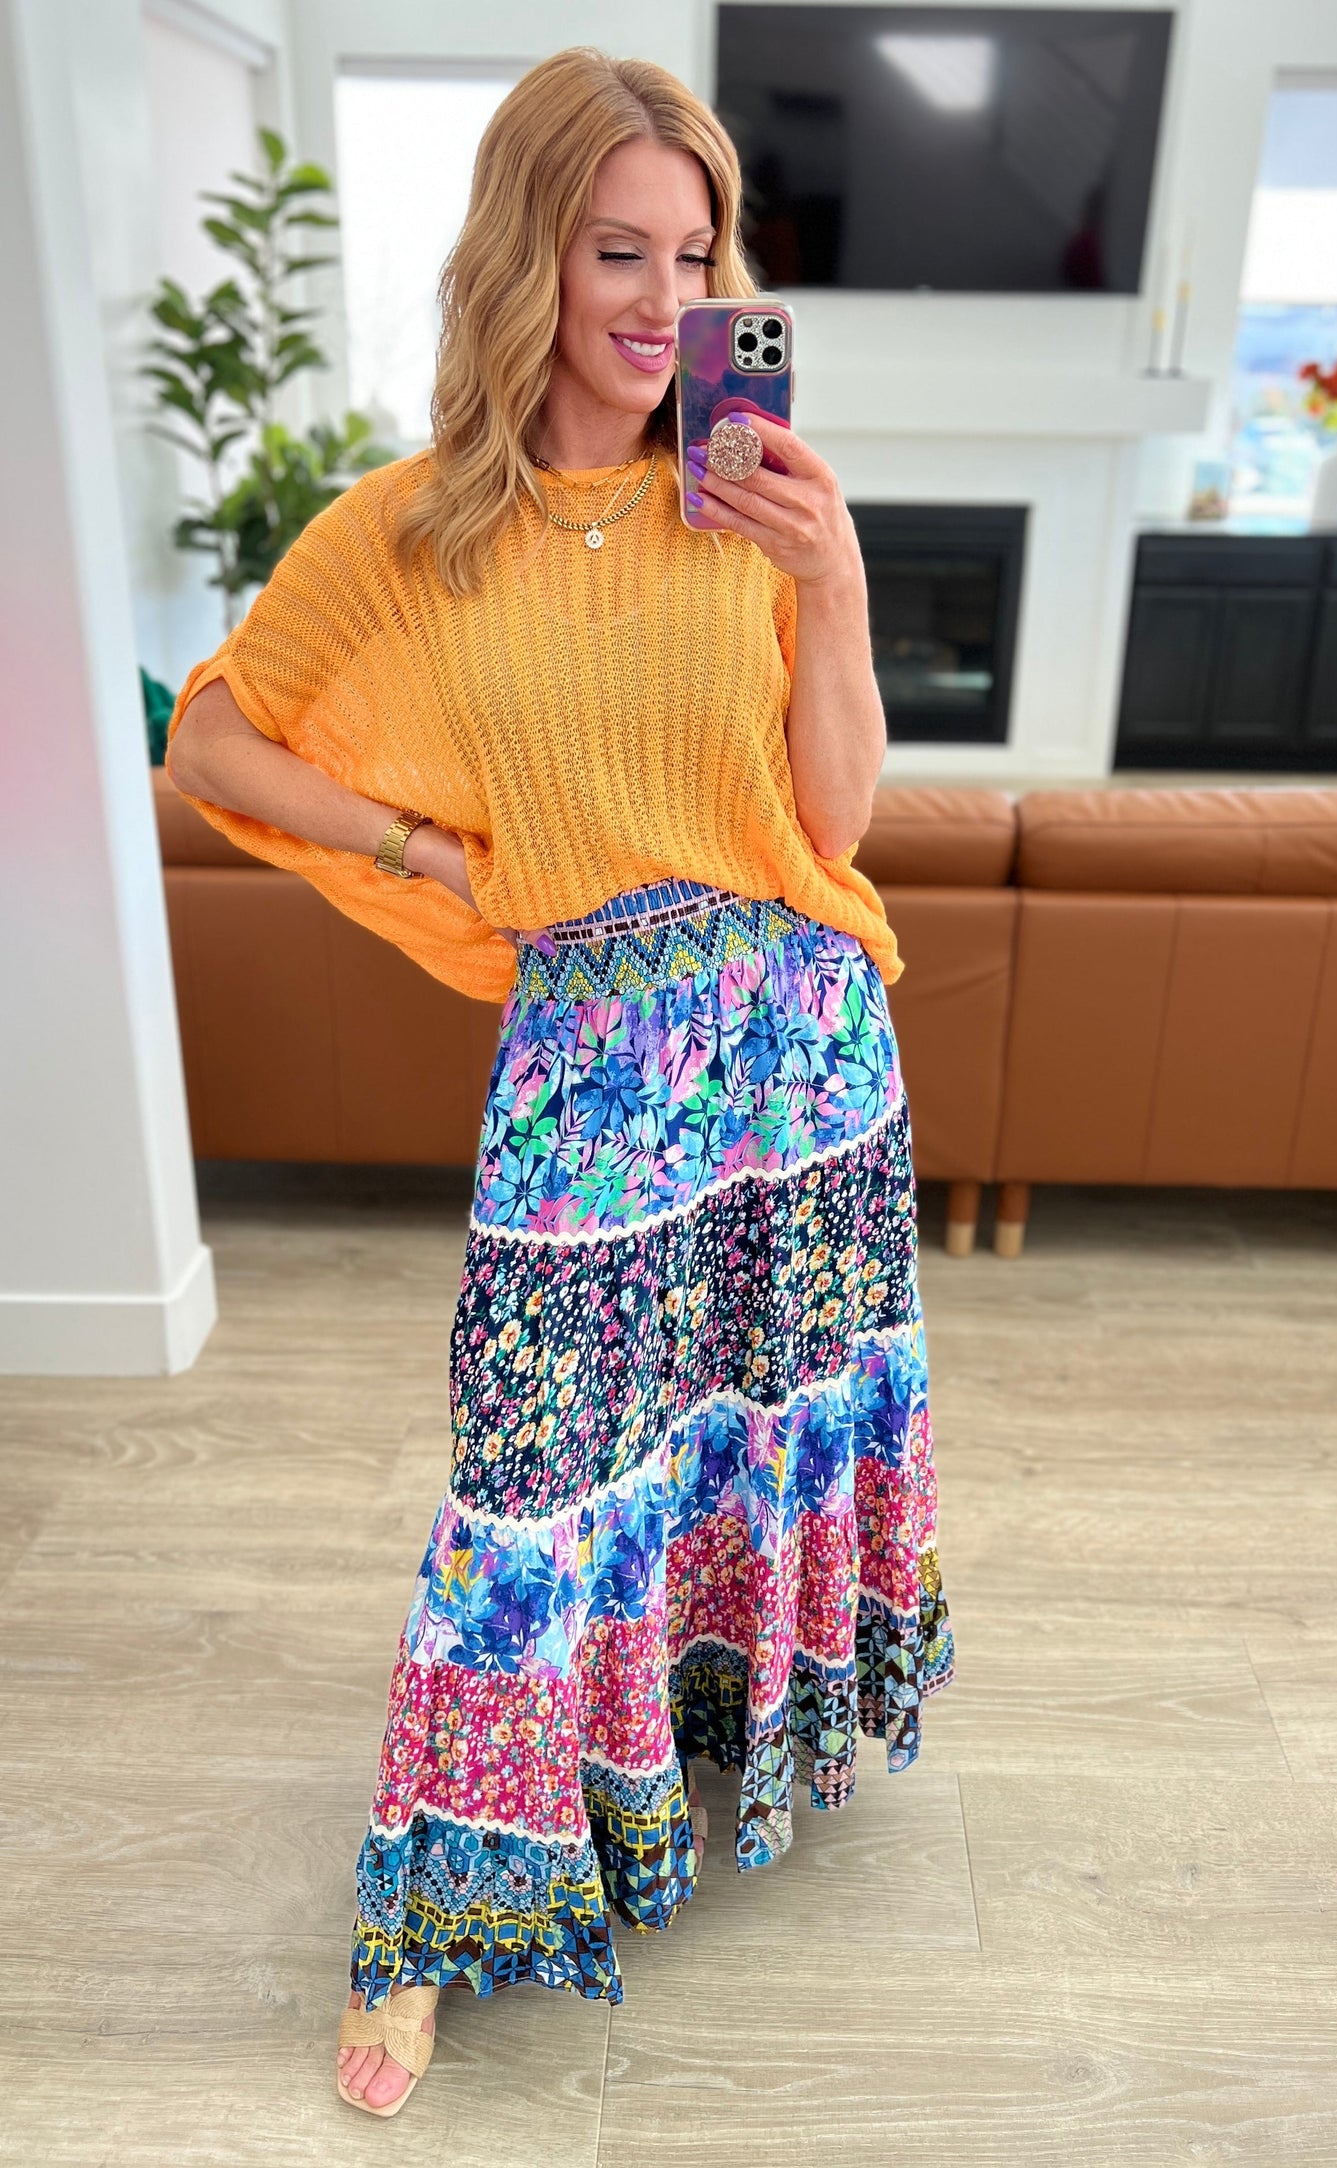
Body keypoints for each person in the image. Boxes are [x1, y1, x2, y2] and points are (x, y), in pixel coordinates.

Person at [166, 44, 954, 2121]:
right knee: (530, 1470)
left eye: (697, 254)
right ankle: (434, 1911)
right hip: (589, 1058)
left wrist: (833, 581)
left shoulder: (754, 503)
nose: (663, 296)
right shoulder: (413, 530)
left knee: (745, 1420)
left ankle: (694, 1735)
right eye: (619, 250)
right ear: (529, 254)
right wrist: (428, 851)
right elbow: (216, 736)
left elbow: (833, 821)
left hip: (797, 1042)